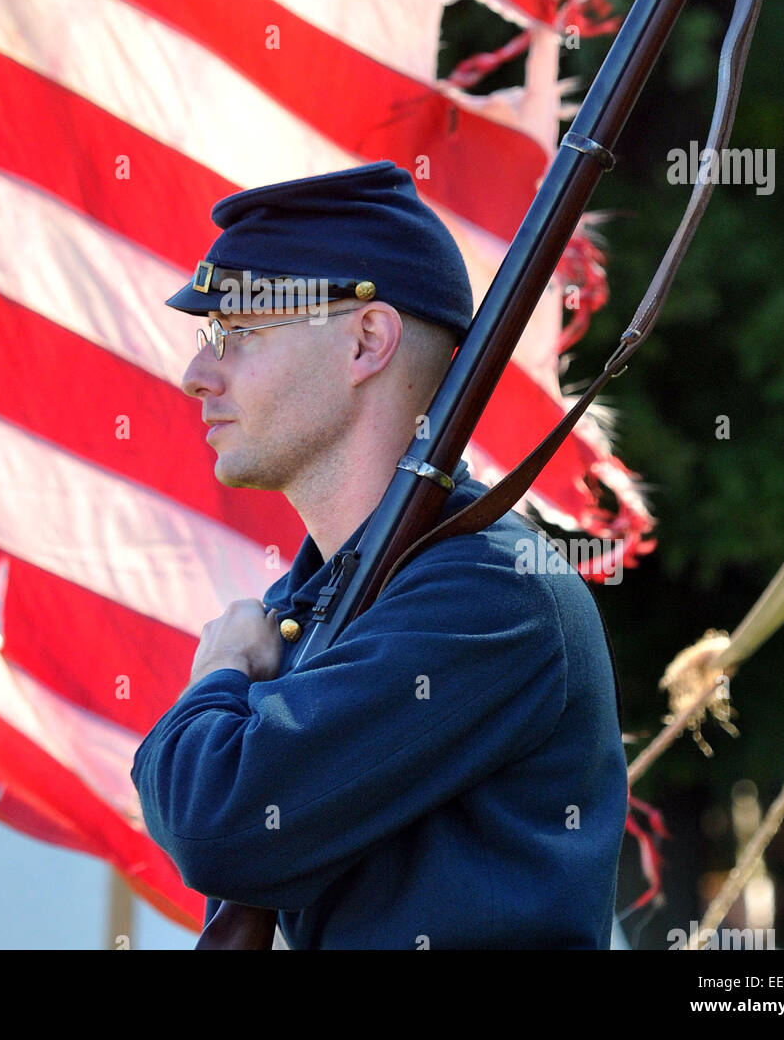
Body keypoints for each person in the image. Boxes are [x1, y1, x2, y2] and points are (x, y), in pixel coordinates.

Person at [130, 161, 627, 949]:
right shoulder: (321, 600)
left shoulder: (490, 594)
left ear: (366, 340)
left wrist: (219, 676)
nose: (197, 374)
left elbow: (216, 821)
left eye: (237, 332)